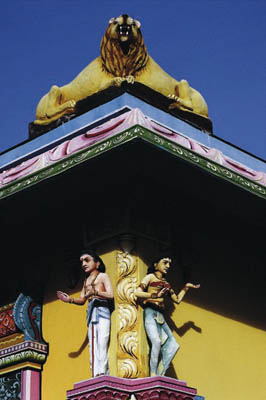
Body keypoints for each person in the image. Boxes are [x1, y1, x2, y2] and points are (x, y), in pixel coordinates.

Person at [135, 257, 200, 376]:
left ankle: (160, 373)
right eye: (165, 263)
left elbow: (177, 300)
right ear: (156, 265)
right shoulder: (150, 277)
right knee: (156, 341)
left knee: (173, 345)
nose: (168, 266)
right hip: (150, 311)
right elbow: (137, 292)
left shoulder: (166, 284)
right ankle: (153, 373)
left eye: (169, 263)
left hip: (160, 314)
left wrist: (186, 287)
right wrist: (154, 295)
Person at [57, 250, 114, 377]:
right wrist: (70, 300)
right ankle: (95, 373)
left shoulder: (103, 276)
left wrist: (95, 292)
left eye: (87, 260)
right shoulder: (85, 281)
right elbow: (82, 299)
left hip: (103, 311)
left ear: (97, 263)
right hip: (92, 313)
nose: (83, 263)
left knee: (103, 341)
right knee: (93, 343)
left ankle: (103, 372)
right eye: (81, 261)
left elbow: (110, 295)